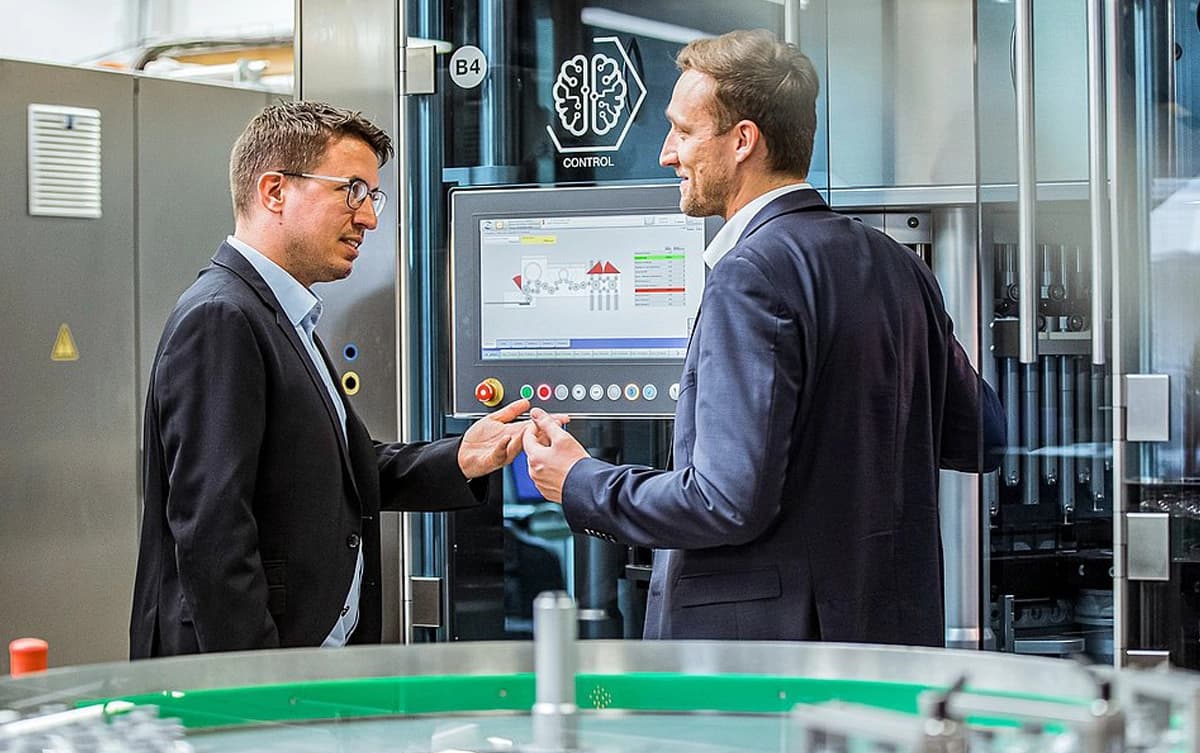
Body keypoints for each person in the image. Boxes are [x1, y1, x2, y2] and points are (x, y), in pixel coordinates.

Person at [522, 30, 1004, 646]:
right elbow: (980, 436)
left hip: (767, 662)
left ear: (743, 141)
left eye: (683, 131)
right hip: (888, 644)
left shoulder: (751, 275)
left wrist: (582, 480)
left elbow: (724, 502)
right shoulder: (896, 263)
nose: (667, 153)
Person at [130, 102, 533, 657]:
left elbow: (339, 467)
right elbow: (212, 531)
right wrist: (265, 686)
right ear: (274, 192)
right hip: (255, 677)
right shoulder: (222, 318)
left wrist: (463, 456)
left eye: (372, 195)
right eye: (352, 190)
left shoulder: (282, 314)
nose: (368, 217)